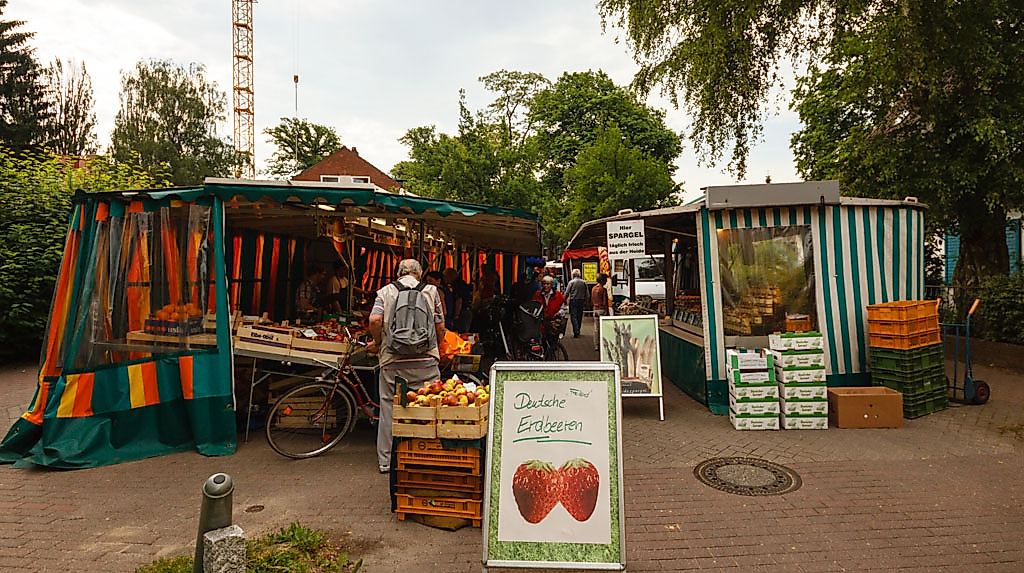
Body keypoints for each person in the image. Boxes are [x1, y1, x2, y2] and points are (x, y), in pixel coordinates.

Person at [367, 259, 446, 474]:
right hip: (425, 361)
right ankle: (425, 456)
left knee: (388, 408)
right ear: (419, 274)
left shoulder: (385, 292)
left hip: (392, 361)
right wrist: (436, 349)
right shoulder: (431, 291)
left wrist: (378, 343)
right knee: (428, 407)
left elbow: (374, 319)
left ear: (398, 273)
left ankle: (385, 461)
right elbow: (440, 326)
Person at [443, 268, 472, 332]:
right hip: (466, 311)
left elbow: (459, 300)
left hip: (462, 312)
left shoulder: (457, 285)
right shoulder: (462, 283)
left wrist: (456, 315)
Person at [564, 268, 588, 338]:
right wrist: (587, 301)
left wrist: (564, 299)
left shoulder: (571, 282)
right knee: (579, 316)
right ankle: (578, 330)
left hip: (573, 300)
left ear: (573, 275)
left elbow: (567, 292)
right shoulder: (584, 282)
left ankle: (576, 330)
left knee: (573, 316)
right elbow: (587, 293)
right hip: (581, 300)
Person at [591, 273, 613, 351]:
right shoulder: (603, 289)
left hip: (595, 309)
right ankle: (603, 344)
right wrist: (608, 313)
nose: (606, 282)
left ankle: (596, 345)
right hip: (602, 309)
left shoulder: (593, 288)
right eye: (605, 280)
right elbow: (605, 302)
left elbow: (591, 300)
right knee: (603, 328)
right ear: (602, 280)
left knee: (596, 328)